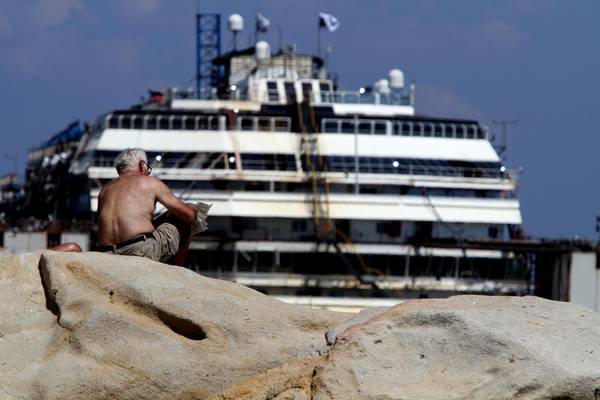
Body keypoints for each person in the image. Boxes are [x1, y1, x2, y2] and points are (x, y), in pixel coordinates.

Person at [95, 148, 199, 266]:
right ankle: (177, 271)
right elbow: (189, 215)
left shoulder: (105, 189)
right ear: (142, 165)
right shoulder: (149, 182)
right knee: (189, 213)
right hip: (139, 250)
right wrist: (195, 210)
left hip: (106, 251)